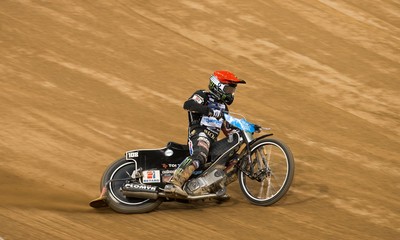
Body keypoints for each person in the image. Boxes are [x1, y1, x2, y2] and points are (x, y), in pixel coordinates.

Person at [167, 70, 246, 196]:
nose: (231, 93)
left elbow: (228, 130)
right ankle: (173, 183)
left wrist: (244, 131)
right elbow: (188, 104)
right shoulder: (203, 95)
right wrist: (209, 111)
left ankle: (212, 186)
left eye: (232, 90)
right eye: (229, 89)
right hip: (199, 134)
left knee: (236, 160)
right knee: (200, 156)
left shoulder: (224, 108)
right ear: (218, 86)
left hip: (212, 143)